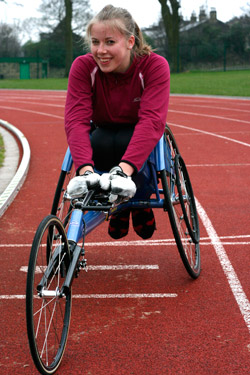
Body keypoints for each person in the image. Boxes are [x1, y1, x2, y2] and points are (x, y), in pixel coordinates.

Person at [65, 4, 170, 239]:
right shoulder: (83, 67)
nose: (100, 51)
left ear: (130, 41)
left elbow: (152, 121)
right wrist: (84, 171)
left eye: (110, 42)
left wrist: (123, 173)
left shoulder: (154, 66)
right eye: (95, 42)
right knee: (99, 141)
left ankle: (137, 199)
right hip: (103, 133)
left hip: (138, 133)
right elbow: (75, 119)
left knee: (127, 140)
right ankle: (116, 202)